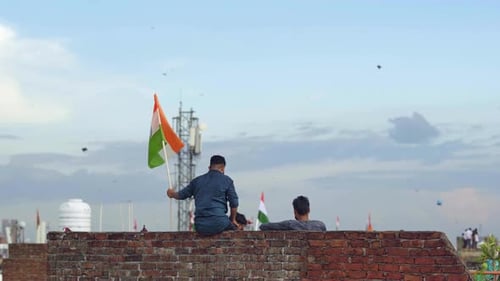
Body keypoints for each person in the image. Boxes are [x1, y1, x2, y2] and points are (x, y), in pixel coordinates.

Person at [167, 155, 240, 235]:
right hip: (220, 223)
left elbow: (181, 195)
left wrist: (171, 193)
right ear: (223, 169)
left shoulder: (196, 181)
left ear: (209, 167)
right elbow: (234, 203)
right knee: (236, 230)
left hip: (200, 226)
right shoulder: (227, 180)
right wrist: (232, 219)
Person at [259, 195, 326, 231]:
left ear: (295, 211)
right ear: (309, 210)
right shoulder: (320, 225)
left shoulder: (291, 224)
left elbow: (263, 226)